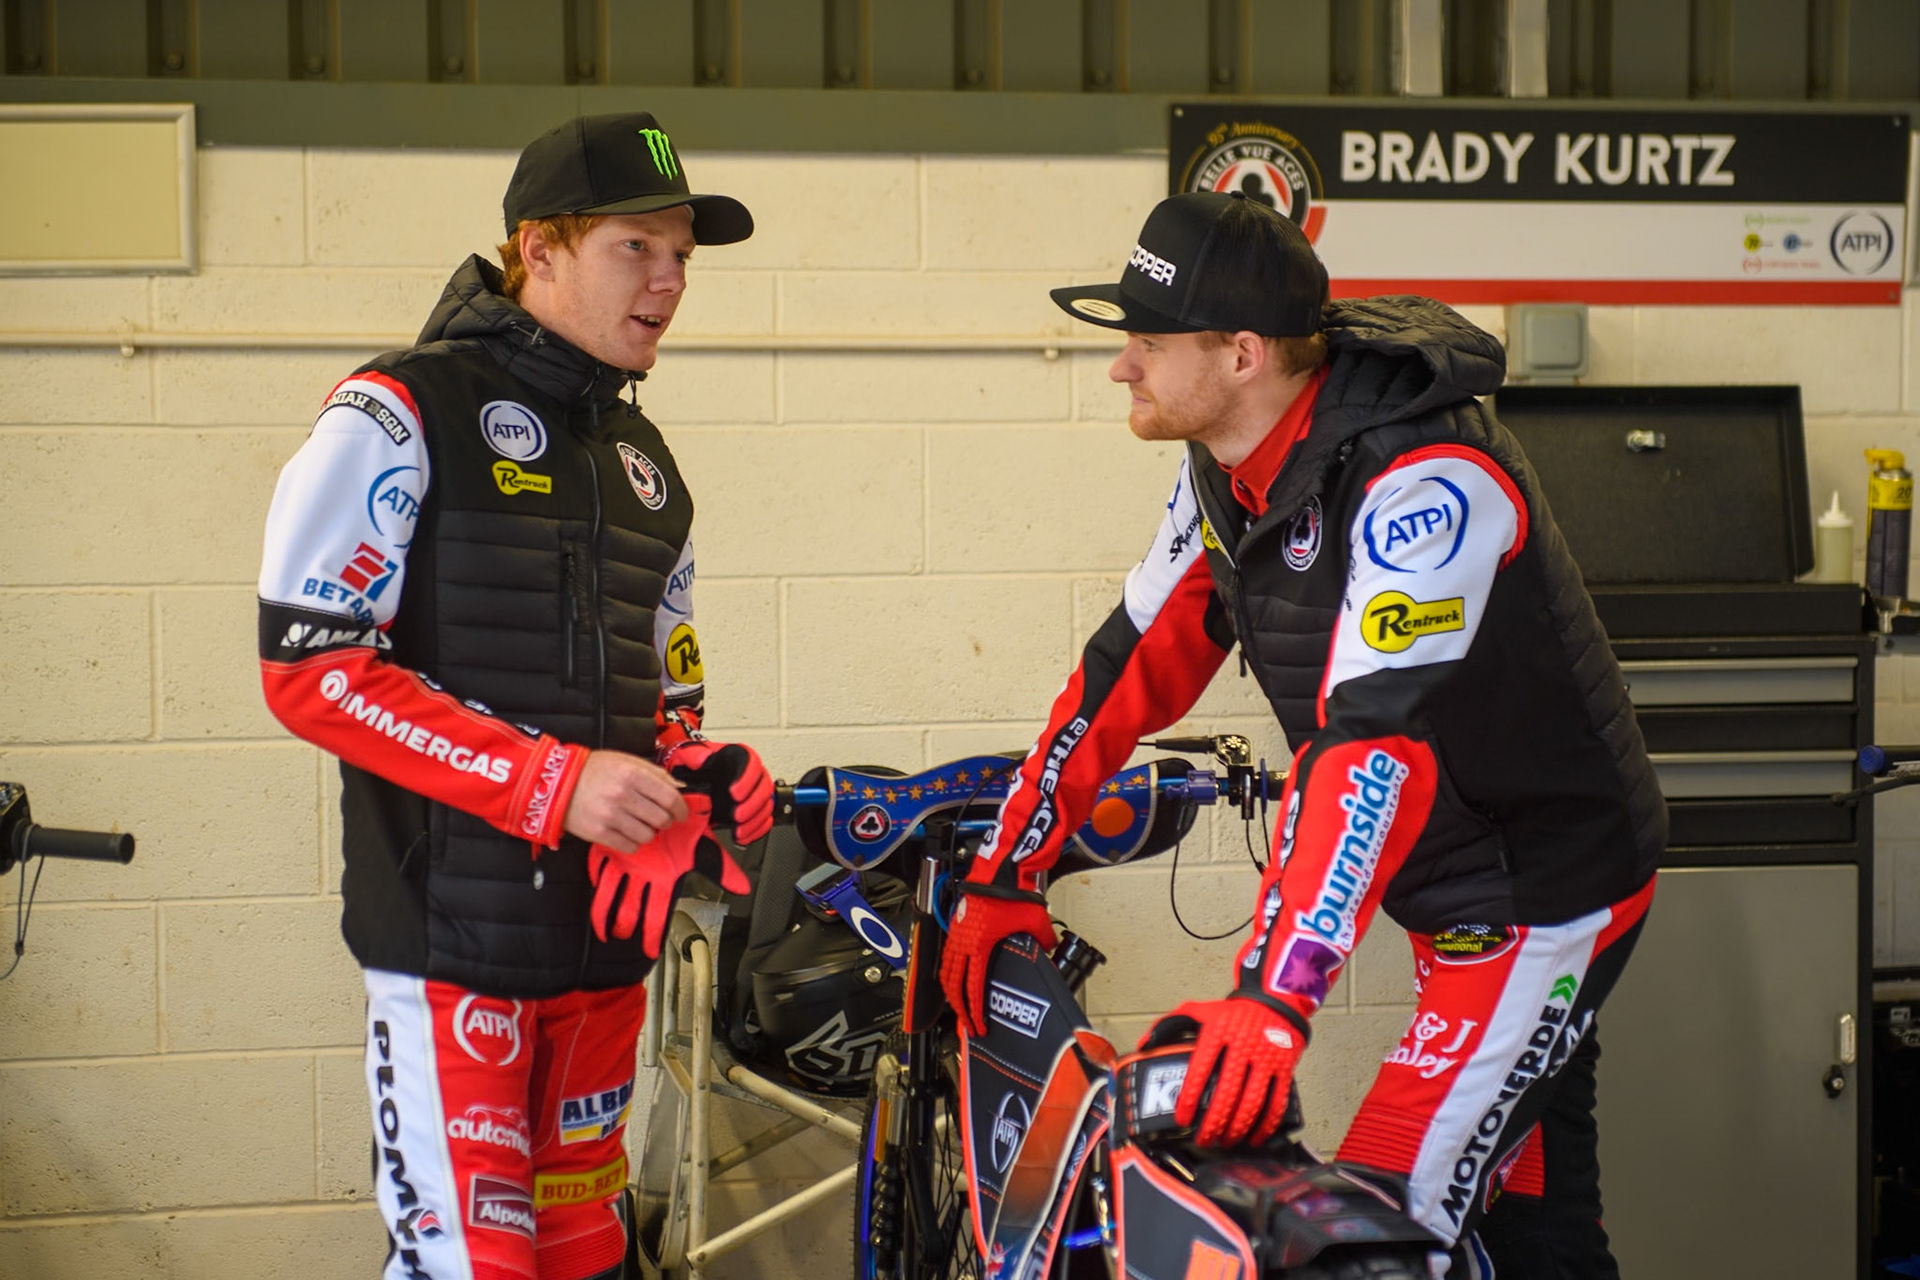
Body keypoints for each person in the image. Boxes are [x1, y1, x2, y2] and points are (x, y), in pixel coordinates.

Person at [939, 190, 1664, 1277]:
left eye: (1145, 339)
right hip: (1452, 875)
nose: (1119, 366)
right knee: (1532, 1213)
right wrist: (1007, 866)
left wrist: (1273, 998)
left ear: (1239, 351)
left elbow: (1373, 748)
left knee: (1379, 1217)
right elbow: (1129, 663)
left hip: (1539, 888)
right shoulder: (1229, 466)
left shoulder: (1427, 479)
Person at [257, 113, 774, 1280]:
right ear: (538, 249)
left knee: (587, 1252)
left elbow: (666, 689)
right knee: (472, 1264)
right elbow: (311, 669)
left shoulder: (650, 467)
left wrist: (691, 770)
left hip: (600, 958)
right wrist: (554, 782)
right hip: (452, 952)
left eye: (684, 253)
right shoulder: (395, 410)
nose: (672, 280)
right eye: (636, 248)